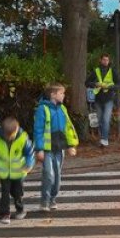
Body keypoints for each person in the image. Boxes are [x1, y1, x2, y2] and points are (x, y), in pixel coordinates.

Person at [33, 82, 79, 212]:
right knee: (48, 175)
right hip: (47, 149)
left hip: (59, 149)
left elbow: (68, 128)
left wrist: (70, 145)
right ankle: (45, 201)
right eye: (61, 93)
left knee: (57, 176)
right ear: (53, 95)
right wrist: (39, 149)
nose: (63, 95)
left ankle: (52, 198)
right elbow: (38, 130)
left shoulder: (62, 109)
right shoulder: (43, 109)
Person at [0, 116, 35, 224]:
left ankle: (20, 209)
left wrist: (29, 163)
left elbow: (29, 153)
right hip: (4, 173)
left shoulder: (23, 139)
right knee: (5, 193)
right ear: (3, 132)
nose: (9, 138)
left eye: (12, 136)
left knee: (17, 193)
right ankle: (4, 214)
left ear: (17, 130)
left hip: (19, 172)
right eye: (7, 137)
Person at [85, 53, 120, 147]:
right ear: (100, 60)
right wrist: (95, 84)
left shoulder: (113, 72)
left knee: (106, 119)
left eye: (107, 60)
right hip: (98, 99)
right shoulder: (96, 71)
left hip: (109, 99)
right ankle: (102, 138)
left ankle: (105, 139)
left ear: (109, 61)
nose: (105, 62)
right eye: (104, 60)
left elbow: (119, 85)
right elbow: (87, 82)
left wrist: (110, 87)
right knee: (100, 120)